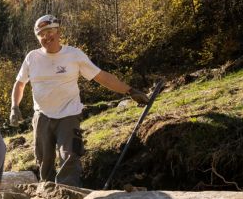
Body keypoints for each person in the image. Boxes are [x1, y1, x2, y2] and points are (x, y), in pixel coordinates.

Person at [9, 14, 149, 187]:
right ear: (38, 38)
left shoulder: (74, 55)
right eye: (42, 34)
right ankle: (46, 195)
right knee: (44, 159)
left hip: (69, 115)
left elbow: (101, 76)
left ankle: (69, 194)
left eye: (50, 31)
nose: (47, 37)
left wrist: (129, 90)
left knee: (69, 156)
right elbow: (20, 84)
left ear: (59, 31)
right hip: (42, 117)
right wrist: (14, 106)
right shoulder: (32, 57)